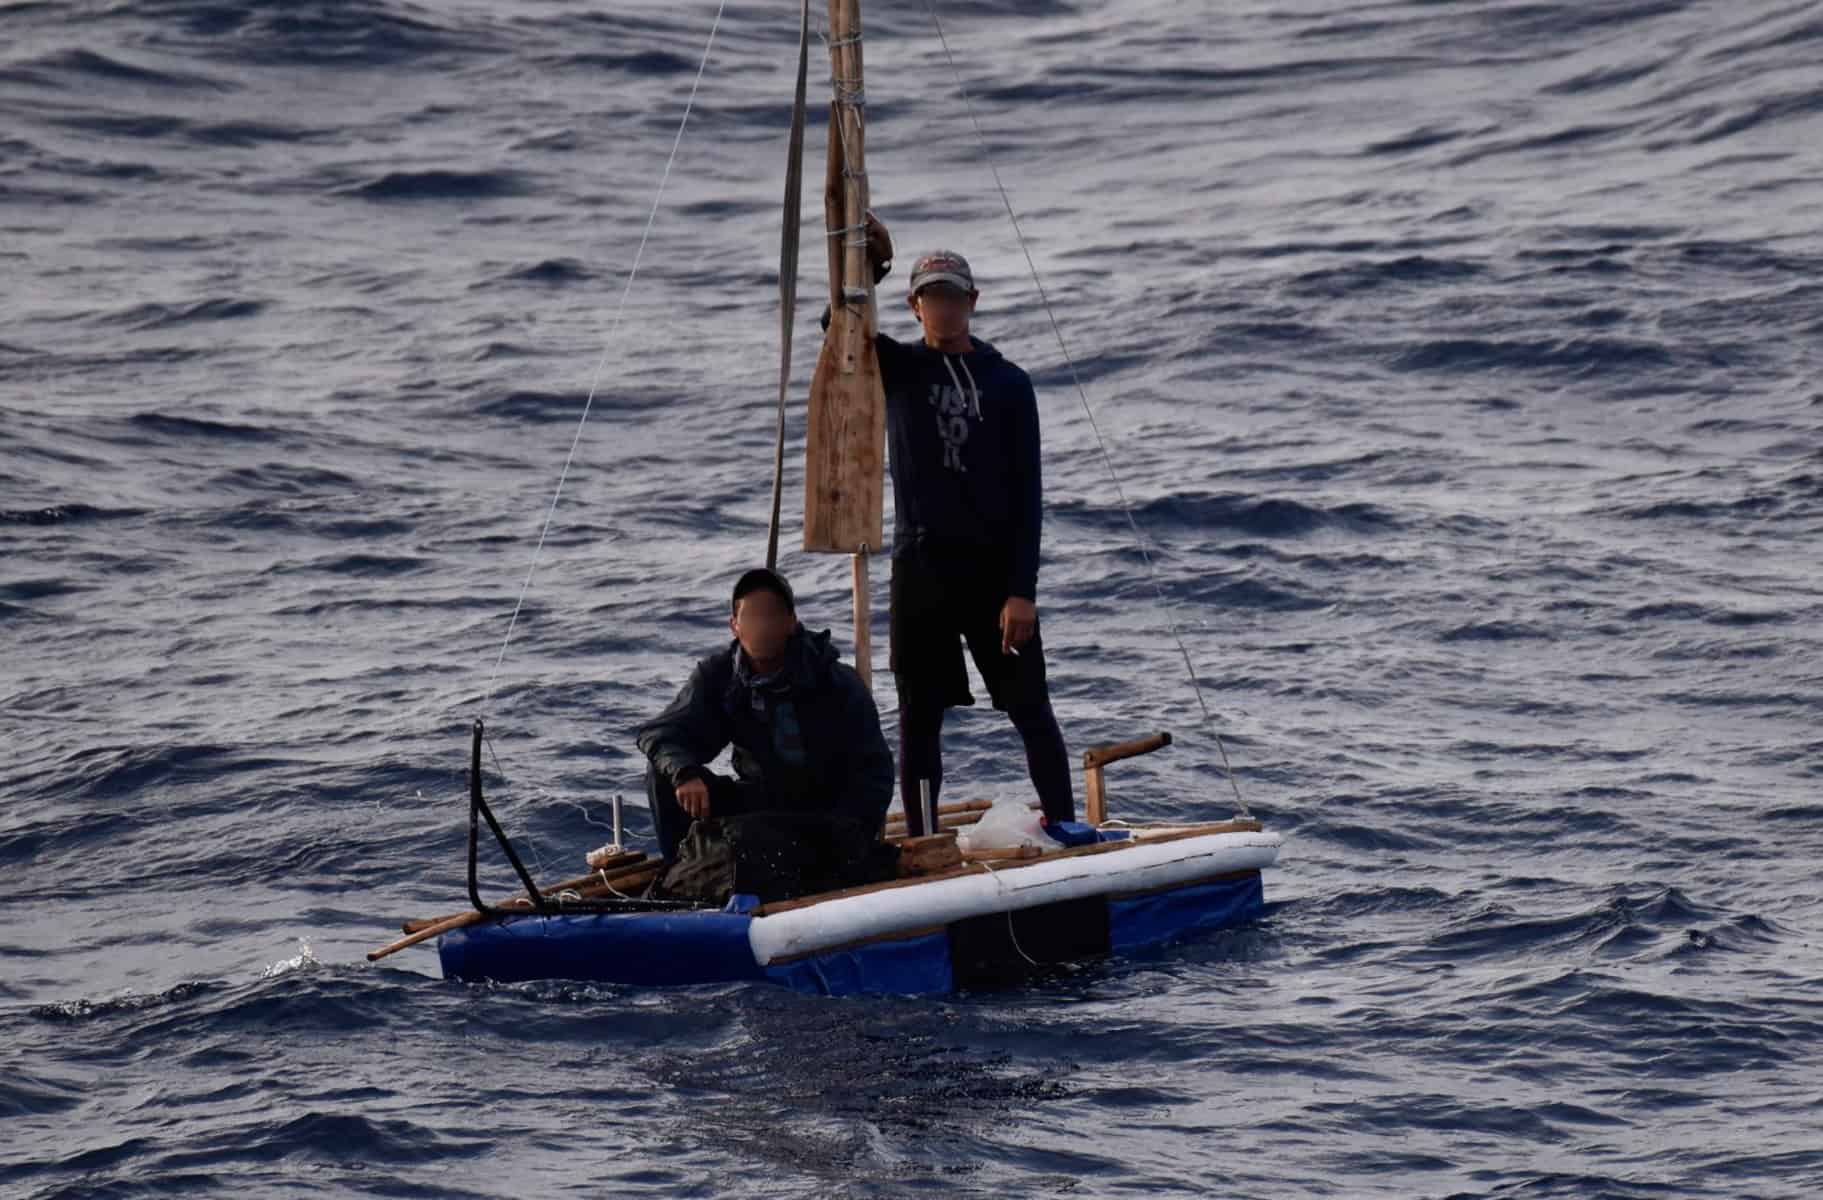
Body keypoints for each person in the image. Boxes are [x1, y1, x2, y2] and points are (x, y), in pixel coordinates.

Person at [842, 215, 1076, 836]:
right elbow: (839, 328)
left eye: (953, 296)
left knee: (1030, 707)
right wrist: (870, 267)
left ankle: (1066, 825)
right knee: (919, 714)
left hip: (993, 572)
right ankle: (920, 838)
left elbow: (1030, 494)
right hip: (920, 572)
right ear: (915, 307)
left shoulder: (1009, 384)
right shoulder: (898, 370)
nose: (943, 308)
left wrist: (1021, 590)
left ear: (972, 302)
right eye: (930, 298)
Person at [635, 567, 895, 864]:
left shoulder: (835, 681)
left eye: (771, 615)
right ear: (734, 625)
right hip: (760, 805)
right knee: (663, 773)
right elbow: (658, 734)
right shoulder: (720, 677)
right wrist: (684, 773)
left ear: (791, 622)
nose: (762, 626)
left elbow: (875, 772)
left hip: (824, 813)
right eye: (751, 617)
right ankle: (683, 874)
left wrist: (849, 836)